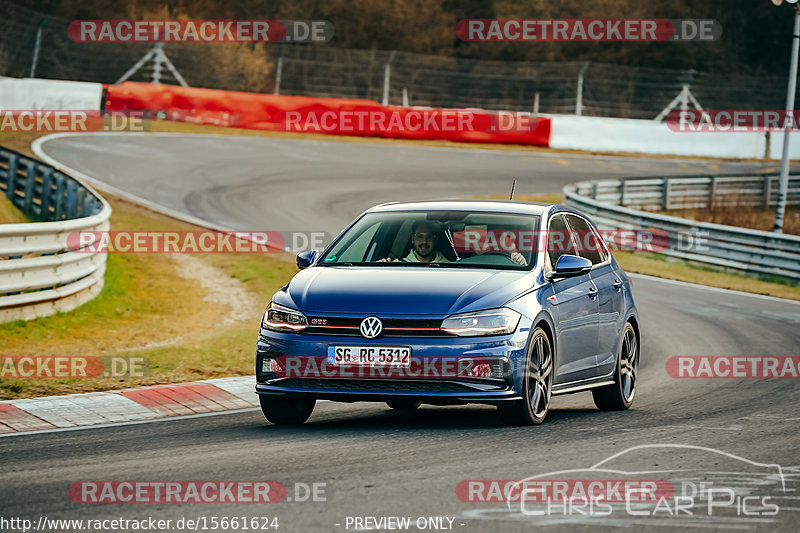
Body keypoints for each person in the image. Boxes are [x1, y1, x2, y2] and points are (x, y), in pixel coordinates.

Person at [379, 220, 450, 263]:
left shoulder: (450, 268)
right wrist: (380, 269)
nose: (424, 241)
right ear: (413, 239)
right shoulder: (397, 266)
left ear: (435, 240)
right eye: (420, 236)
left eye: (429, 237)